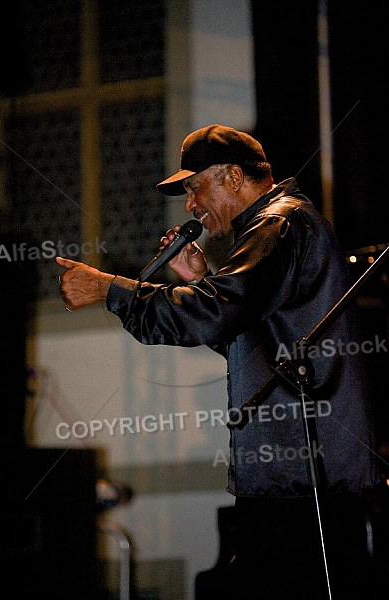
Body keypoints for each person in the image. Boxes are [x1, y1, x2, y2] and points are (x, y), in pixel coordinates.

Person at [57, 124, 381, 599]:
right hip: (291, 472)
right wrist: (203, 279)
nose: (190, 205)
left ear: (232, 177)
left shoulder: (280, 225)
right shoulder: (275, 228)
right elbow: (253, 343)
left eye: (194, 187)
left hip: (305, 475)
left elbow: (212, 314)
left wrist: (111, 288)